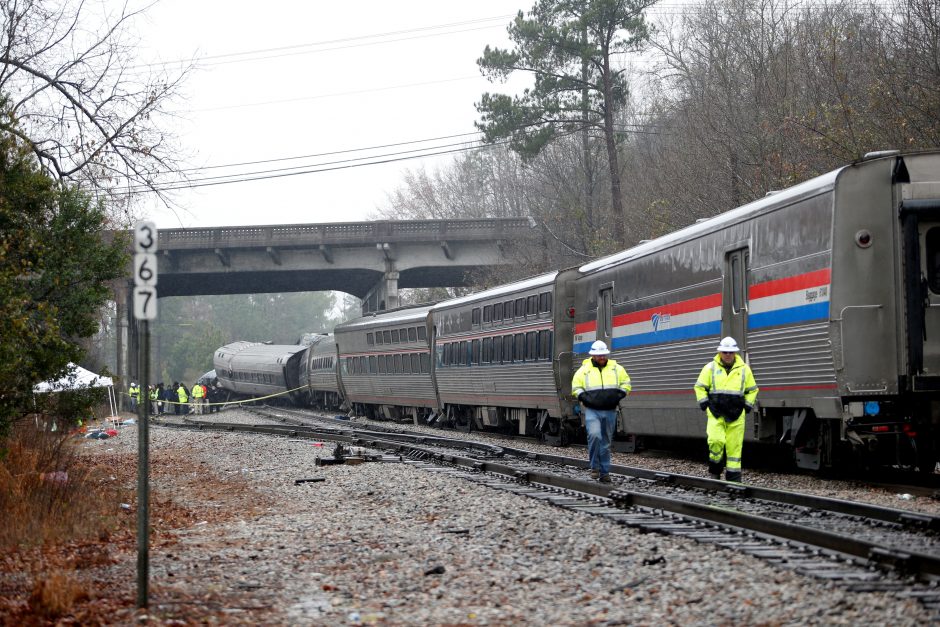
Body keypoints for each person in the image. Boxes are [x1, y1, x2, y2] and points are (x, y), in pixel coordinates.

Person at [694, 336, 759, 482]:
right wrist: (704, 403)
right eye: (725, 352)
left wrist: (747, 406)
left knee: (734, 450)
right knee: (715, 441)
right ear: (720, 352)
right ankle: (715, 471)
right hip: (716, 414)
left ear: (735, 353)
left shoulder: (744, 370)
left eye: (730, 352)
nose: (728, 355)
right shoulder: (710, 368)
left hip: (736, 416)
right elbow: (699, 386)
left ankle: (733, 480)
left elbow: (753, 389)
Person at [571, 340, 631, 483]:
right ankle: (594, 467)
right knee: (595, 436)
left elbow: (626, 384)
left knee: (605, 443)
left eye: (603, 355)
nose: (602, 357)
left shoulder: (617, 369)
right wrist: (584, 398)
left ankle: (604, 472)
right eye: (599, 355)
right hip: (592, 410)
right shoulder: (584, 370)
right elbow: (576, 387)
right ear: (593, 356)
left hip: (610, 410)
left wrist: (618, 396)